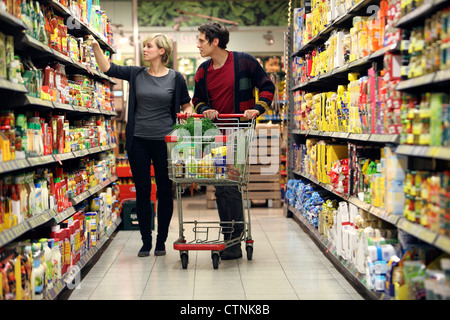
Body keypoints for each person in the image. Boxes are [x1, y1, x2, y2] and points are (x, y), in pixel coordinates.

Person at [91, 33, 193, 257]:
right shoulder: (136, 73)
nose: (144, 49)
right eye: (144, 46)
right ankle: (146, 240)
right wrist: (95, 46)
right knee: (144, 191)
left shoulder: (176, 78)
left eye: (149, 46)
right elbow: (108, 68)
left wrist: (187, 116)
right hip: (138, 140)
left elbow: (187, 105)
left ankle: (161, 241)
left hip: (165, 142)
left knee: (165, 191)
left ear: (162, 51)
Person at [192, 22, 275, 260]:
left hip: (239, 131)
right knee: (220, 187)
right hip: (213, 134)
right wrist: (205, 109)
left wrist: (257, 109)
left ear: (214, 41)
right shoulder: (202, 71)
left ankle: (233, 241)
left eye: (201, 40)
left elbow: (267, 87)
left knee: (231, 184)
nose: (198, 44)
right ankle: (231, 238)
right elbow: (197, 99)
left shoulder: (245, 62)